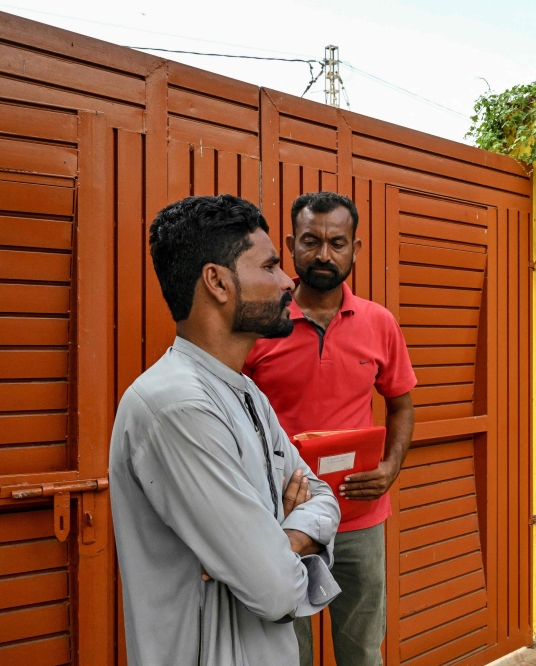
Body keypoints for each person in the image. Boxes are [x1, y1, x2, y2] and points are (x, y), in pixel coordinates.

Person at [110, 195, 341, 666]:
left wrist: (278, 540)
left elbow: (323, 498)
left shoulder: (247, 393)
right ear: (217, 281)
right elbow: (277, 591)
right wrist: (289, 540)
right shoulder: (176, 407)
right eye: (270, 266)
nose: (287, 279)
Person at [245, 191, 416, 666]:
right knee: (286, 652)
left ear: (355, 249)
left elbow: (401, 406)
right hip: (280, 519)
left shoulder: (379, 323)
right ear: (290, 245)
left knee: (361, 651)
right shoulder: (262, 321)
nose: (324, 254)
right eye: (311, 240)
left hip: (360, 516)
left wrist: (391, 468)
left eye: (337, 242)